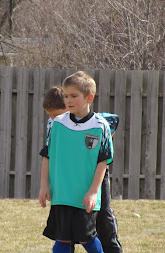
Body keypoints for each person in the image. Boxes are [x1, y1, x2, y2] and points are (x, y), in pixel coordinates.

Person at [40, 86, 123, 253]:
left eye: (56, 114)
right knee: (65, 230)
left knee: (103, 220)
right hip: (67, 179)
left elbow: (113, 120)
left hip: (94, 177)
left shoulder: (98, 122)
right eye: (50, 115)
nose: (52, 119)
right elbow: (49, 153)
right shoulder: (55, 123)